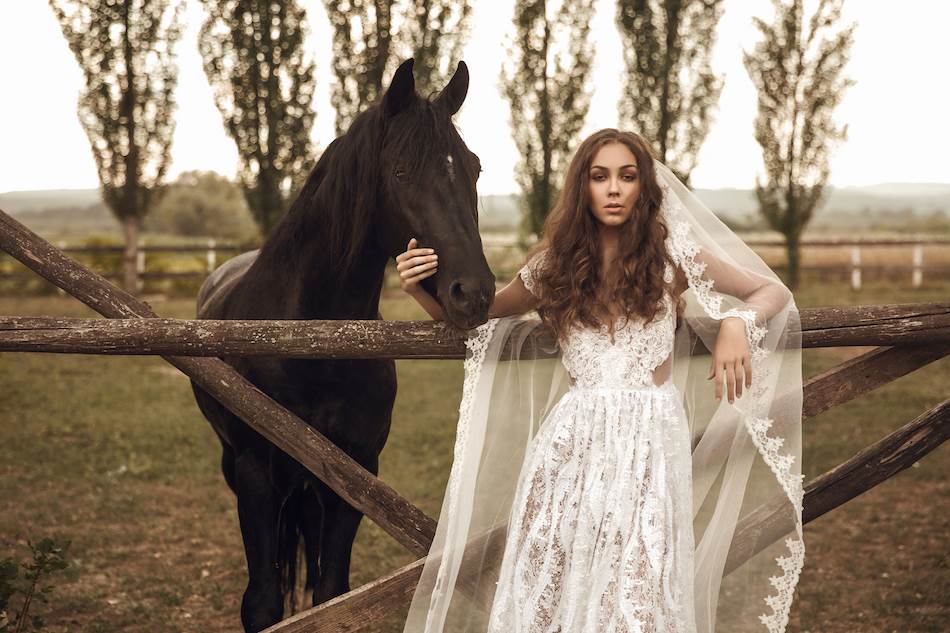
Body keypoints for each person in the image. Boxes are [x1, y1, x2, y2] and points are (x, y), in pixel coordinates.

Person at [396, 129, 804, 633]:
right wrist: (418, 289)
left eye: (627, 177)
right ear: (582, 188)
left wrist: (738, 323)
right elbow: (479, 315)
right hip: (571, 442)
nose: (613, 189)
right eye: (600, 176)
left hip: (649, 441)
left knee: (637, 587)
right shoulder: (553, 267)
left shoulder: (672, 256)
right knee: (550, 578)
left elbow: (769, 290)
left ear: (643, 187)